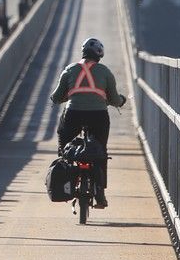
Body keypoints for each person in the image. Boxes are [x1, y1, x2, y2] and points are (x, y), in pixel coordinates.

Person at [49, 37, 126, 208]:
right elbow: (114, 99)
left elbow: (55, 97)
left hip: (73, 115)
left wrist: (67, 97)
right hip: (98, 116)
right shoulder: (105, 72)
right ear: (99, 55)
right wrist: (121, 100)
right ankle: (100, 194)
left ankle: (67, 181)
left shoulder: (69, 70)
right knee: (100, 152)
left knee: (64, 147)